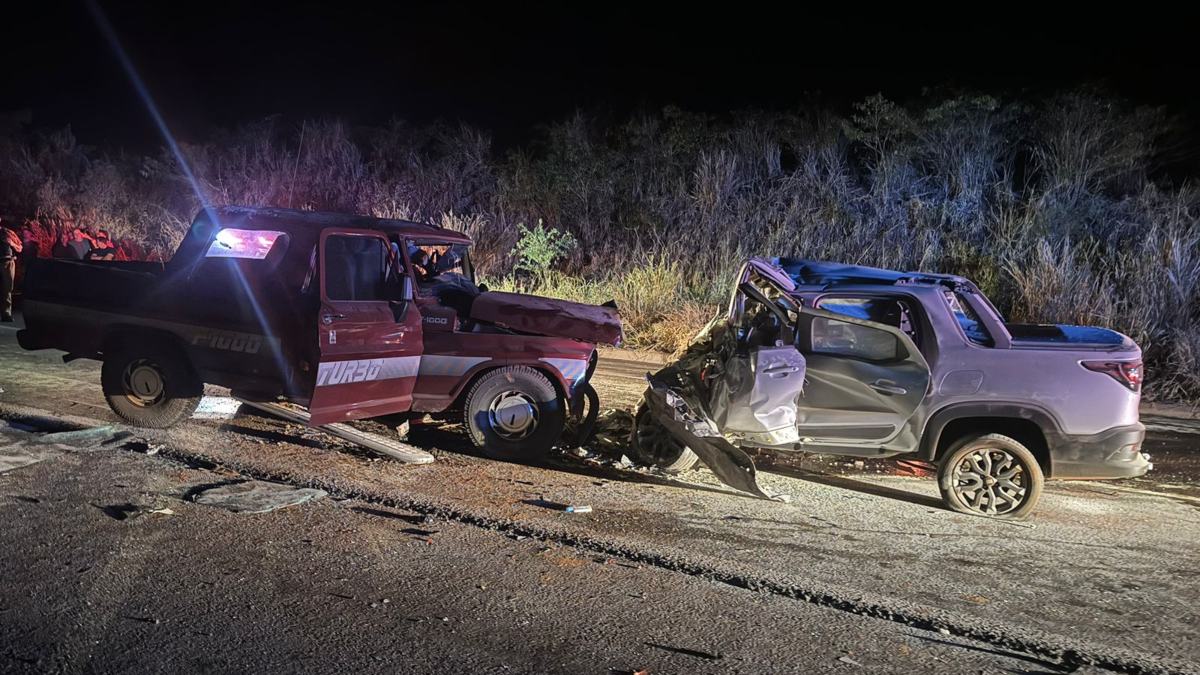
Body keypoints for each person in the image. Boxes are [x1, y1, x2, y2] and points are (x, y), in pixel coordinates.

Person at [1, 219, 23, 322]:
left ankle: (6, 313)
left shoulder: (7, 232)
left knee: (7, 288)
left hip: (7, 263)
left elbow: (20, 248)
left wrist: (12, 244)